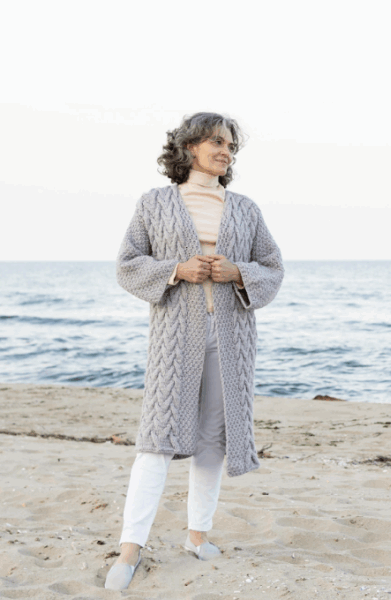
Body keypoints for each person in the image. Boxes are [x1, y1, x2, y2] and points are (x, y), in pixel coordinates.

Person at [106, 112, 284, 590]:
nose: (226, 151)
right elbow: (127, 265)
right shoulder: (155, 203)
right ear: (189, 148)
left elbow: (273, 267)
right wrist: (177, 270)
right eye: (217, 142)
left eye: (231, 145)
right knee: (156, 440)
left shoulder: (245, 209)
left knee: (213, 439)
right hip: (174, 337)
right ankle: (129, 550)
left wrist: (238, 273)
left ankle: (197, 536)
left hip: (231, 337)